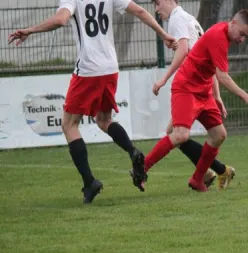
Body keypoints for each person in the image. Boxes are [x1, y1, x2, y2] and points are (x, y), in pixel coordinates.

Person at [8, 0, 177, 204]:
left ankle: (89, 182)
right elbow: (140, 10)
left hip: (88, 69)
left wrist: (30, 30)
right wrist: (163, 34)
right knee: (104, 120)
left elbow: (61, 19)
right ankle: (133, 151)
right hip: (110, 68)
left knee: (69, 124)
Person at [142, 9, 248, 192]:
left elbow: (212, 69)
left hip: (203, 91)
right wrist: (245, 96)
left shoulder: (222, 35)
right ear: (233, 23)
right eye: (242, 34)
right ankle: (141, 168)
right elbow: (222, 76)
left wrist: (217, 96)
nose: (242, 40)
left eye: (246, 37)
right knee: (179, 135)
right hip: (187, 87)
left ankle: (199, 179)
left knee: (218, 135)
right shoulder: (214, 35)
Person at [150, 0, 235, 190]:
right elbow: (207, 60)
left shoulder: (176, 18)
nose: (157, 10)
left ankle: (218, 170)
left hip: (191, 87)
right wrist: (216, 95)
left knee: (176, 134)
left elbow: (184, 50)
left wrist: (163, 79)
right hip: (200, 86)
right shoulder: (191, 20)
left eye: (157, 4)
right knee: (176, 134)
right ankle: (210, 172)